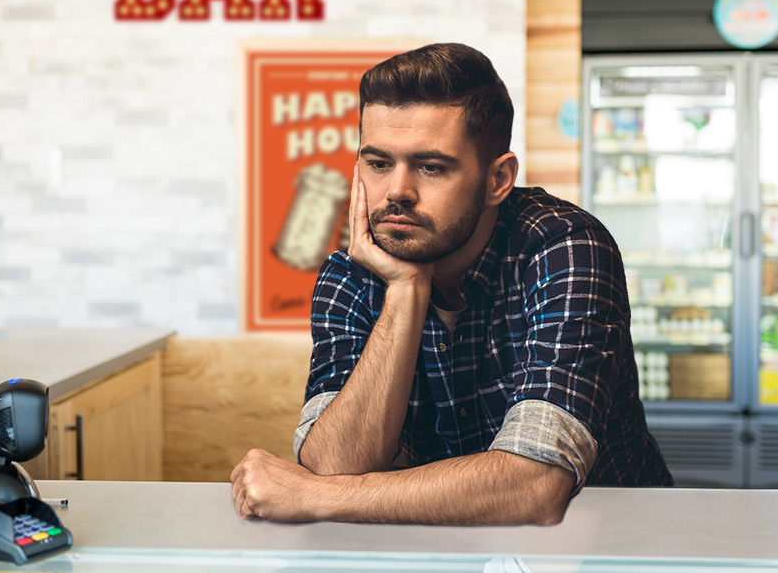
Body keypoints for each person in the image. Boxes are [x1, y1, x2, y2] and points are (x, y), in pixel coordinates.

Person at [230, 43, 672, 525]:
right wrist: (406, 290)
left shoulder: (565, 248)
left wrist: (315, 498)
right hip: (437, 544)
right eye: (378, 164)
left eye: (431, 167)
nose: (397, 191)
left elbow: (536, 486)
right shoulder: (351, 273)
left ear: (497, 179)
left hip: (611, 547)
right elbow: (336, 464)